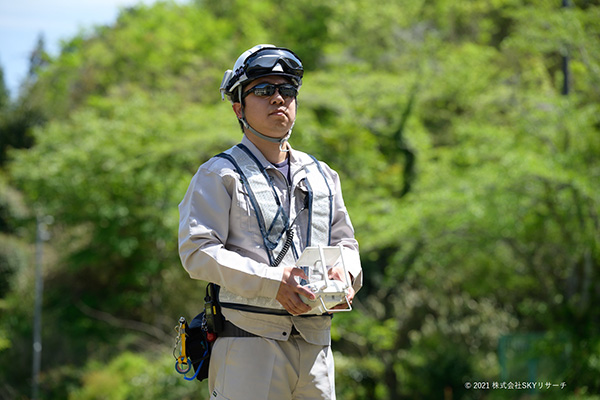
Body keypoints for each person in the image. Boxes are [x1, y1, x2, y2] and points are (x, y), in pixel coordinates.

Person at [178, 44, 362, 400]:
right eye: (263, 90)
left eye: (287, 90)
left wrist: (346, 275)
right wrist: (271, 281)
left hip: (317, 350)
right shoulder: (219, 174)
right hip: (248, 347)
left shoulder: (324, 175)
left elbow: (347, 245)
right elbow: (197, 252)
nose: (278, 98)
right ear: (238, 108)